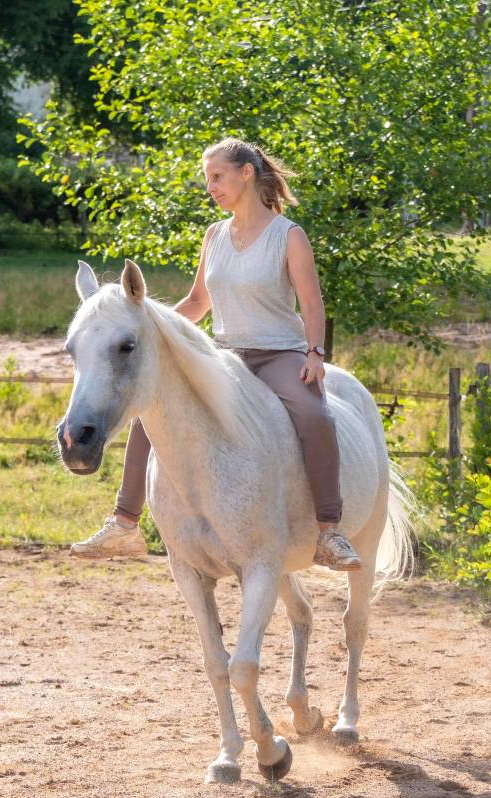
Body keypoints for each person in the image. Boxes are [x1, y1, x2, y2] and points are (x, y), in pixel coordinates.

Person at [70, 136, 361, 571]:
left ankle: (328, 531)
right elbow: (198, 302)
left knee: (316, 414)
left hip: (278, 354)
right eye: (208, 179)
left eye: (218, 176)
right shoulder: (215, 236)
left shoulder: (289, 236)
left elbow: (312, 303)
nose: (211, 186)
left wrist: (315, 353)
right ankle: (124, 524)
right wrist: (151, 325)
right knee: (151, 404)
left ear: (247, 174)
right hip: (226, 356)